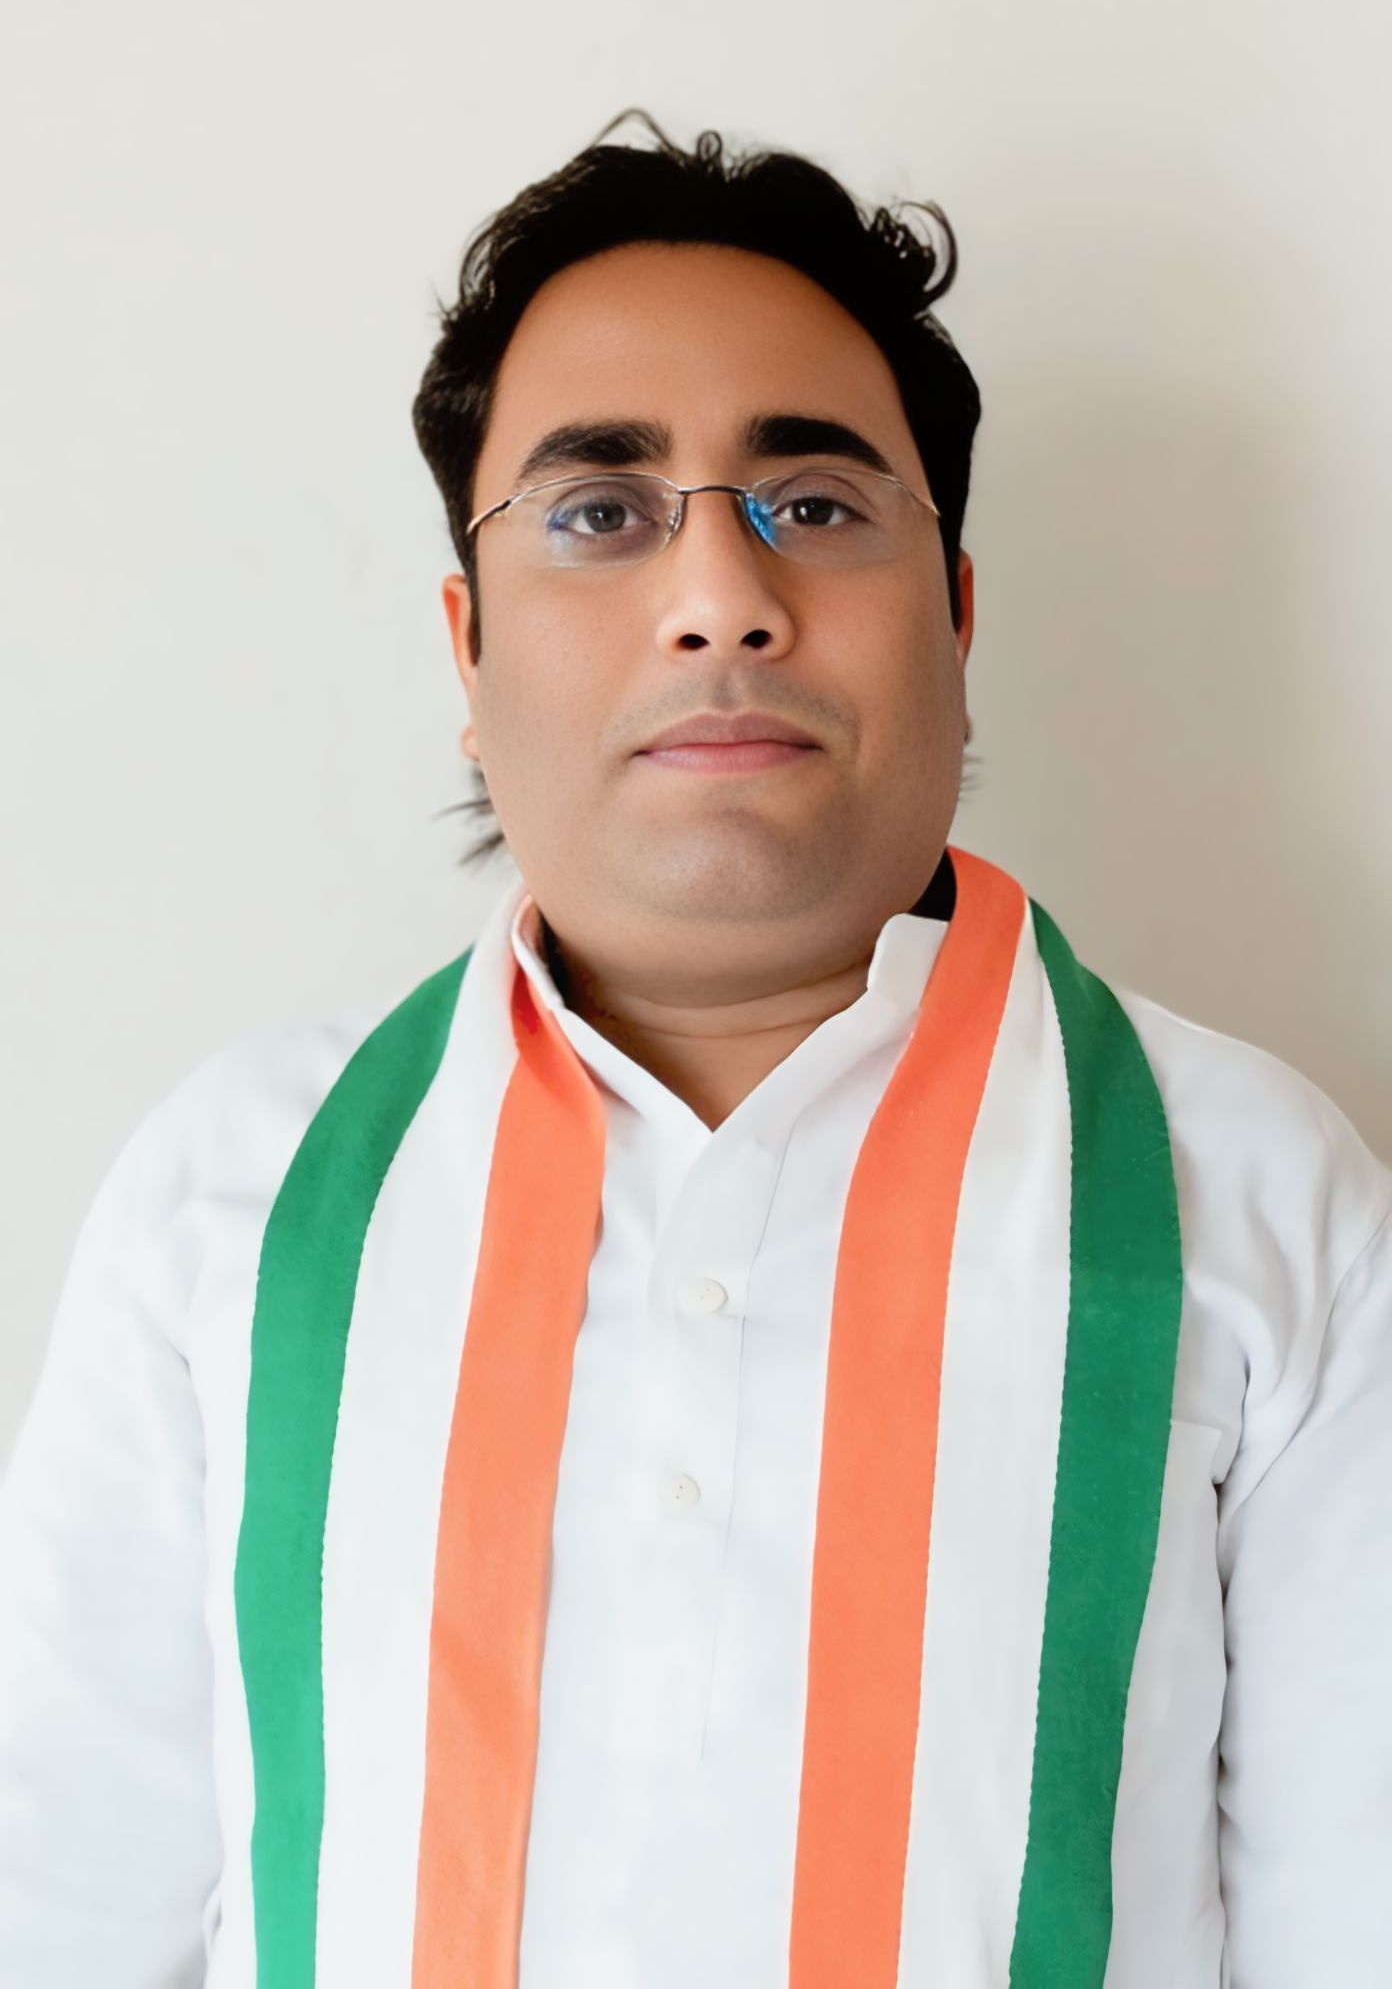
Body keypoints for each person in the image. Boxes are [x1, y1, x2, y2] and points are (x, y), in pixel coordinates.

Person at [2, 106, 1389, 1989]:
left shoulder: (1259, 1196)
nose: (722, 594)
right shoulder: (230, 1199)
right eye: (599, 512)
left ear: (958, 615)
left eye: (813, 504)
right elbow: (63, 1917)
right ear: (468, 647)